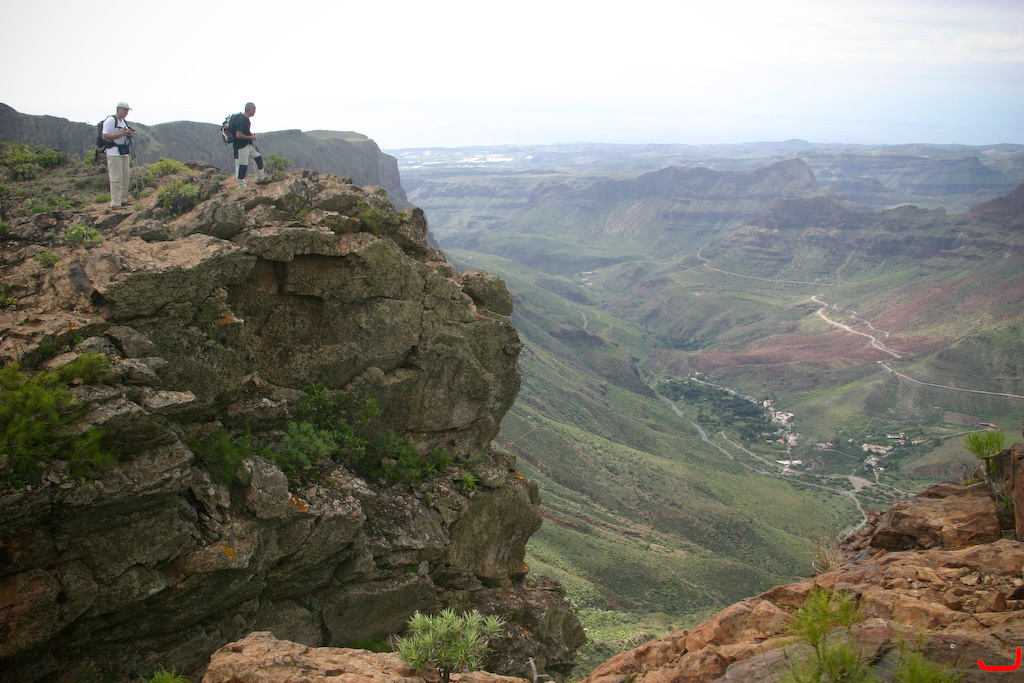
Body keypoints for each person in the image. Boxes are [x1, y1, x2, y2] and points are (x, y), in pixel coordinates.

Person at [101, 101, 134, 208]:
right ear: (119, 109)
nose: (126, 112)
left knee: (125, 176)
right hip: (113, 152)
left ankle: (123, 199)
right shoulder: (111, 120)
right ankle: (115, 203)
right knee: (116, 177)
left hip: (123, 151)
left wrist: (129, 134)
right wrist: (120, 134)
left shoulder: (123, 121)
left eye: (127, 110)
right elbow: (104, 136)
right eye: (125, 110)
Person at [228, 102, 269, 188]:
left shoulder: (245, 120)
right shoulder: (241, 120)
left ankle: (260, 179)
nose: (255, 111)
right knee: (242, 165)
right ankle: (242, 187)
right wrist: (250, 137)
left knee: (258, 159)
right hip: (240, 146)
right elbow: (238, 135)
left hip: (248, 145)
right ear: (250, 109)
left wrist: (251, 135)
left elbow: (245, 131)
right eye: (254, 109)